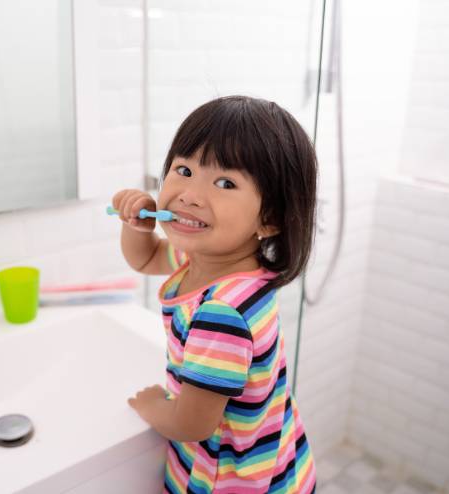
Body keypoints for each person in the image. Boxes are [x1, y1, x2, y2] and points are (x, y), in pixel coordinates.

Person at [112, 96, 318, 493]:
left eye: (225, 183)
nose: (190, 194)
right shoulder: (211, 258)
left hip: (234, 481)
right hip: (277, 457)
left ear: (270, 218)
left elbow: (193, 423)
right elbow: (147, 258)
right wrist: (137, 227)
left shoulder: (221, 312)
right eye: (184, 169)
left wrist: (153, 405)